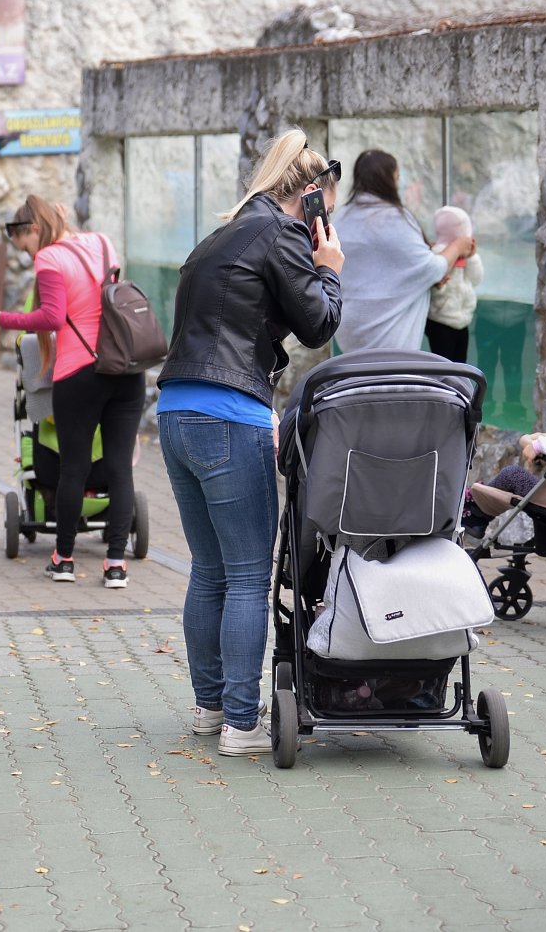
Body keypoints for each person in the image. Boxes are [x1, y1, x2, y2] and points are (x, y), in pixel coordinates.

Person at [156, 131, 343, 756]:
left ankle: (211, 708)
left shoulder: (229, 231)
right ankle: (242, 723)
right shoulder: (283, 234)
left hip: (177, 409)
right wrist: (330, 272)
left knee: (208, 569)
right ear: (312, 199)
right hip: (228, 413)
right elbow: (318, 323)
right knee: (245, 574)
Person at [0, 194, 141, 588]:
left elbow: (51, 316)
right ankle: (116, 564)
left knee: (74, 468)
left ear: (33, 229)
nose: (30, 254)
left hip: (79, 372)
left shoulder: (50, 258)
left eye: (26, 245)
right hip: (125, 366)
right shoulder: (102, 242)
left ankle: (63, 560)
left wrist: (2, 320)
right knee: (119, 466)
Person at [330, 150, 474, 354]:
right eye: (398, 177)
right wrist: (457, 246)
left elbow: (381, 262)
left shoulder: (343, 217)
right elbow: (431, 269)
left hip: (349, 336)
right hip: (388, 342)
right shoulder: (394, 218)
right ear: (389, 180)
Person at [424, 204, 484, 363]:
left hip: (462, 320)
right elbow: (433, 288)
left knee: (459, 366)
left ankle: (457, 388)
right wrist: (440, 286)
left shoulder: (465, 254)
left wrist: (472, 257)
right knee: (444, 367)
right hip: (440, 321)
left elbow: (476, 279)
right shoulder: (438, 254)